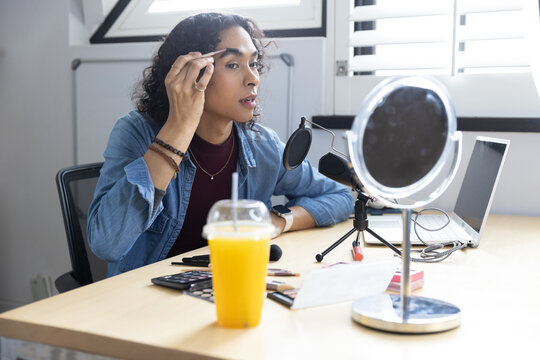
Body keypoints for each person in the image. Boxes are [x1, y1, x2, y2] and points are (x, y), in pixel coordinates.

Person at [87, 12, 353, 277]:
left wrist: (280, 220)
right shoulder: (136, 133)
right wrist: (178, 129)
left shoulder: (262, 146)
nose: (253, 79)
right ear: (192, 72)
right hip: (145, 301)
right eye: (233, 65)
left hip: (227, 288)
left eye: (254, 63)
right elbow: (107, 244)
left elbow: (340, 197)